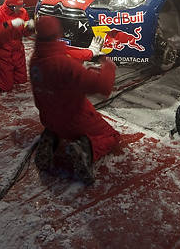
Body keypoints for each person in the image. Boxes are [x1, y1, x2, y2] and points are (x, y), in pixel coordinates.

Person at [30, 16, 118, 184]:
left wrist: (90, 52)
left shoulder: (36, 59)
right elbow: (102, 87)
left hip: (48, 117)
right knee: (111, 135)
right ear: (58, 33)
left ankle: (52, 136)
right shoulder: (65, 65)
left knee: (57, 121)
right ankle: (85, 149)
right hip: (74, 119)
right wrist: (108, 67)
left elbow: (64, 54)